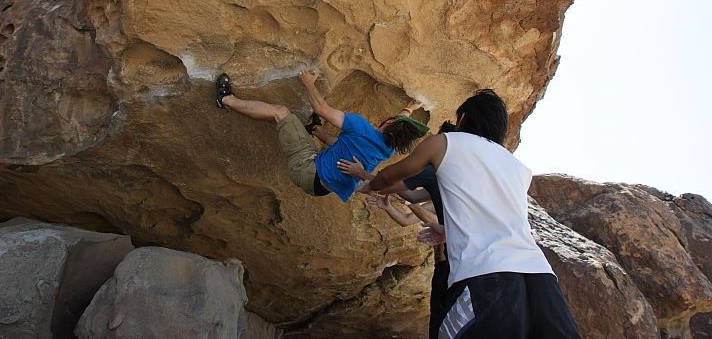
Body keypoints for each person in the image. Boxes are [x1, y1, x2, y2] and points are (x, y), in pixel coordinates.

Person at [358, 89, 580, 338]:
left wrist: (372, 184)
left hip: (486, 278)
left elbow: (391, 175)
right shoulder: (519, 168)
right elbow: (495, 219)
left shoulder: (445, 143)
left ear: (463, 118)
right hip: (541, 279)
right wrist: (449, 231)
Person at [214, 70, 427, 201]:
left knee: (281, 112)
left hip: (307, 170)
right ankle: (313, 129)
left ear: (388, 123)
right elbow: (396, 124)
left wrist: (307, 82)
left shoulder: (362, 127)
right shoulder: (387, 149)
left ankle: (225, 99)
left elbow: (321, 108)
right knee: (340, 145)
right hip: (321, 186)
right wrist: (409, 109)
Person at [340, 120, 456, 339]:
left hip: (453, 262)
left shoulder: (436, 173)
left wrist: (364, 174)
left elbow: (398, 191)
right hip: (444, 261)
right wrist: (389, 205)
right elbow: (410, 202)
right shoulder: (444, 180)